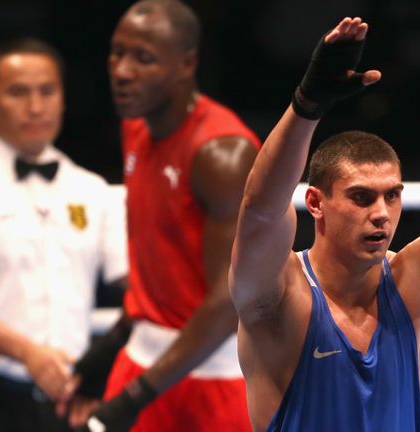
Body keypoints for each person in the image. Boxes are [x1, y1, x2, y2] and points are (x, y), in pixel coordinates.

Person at [229, 11, 420, 432]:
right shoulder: (278, 294)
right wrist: (307, 105)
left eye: (391, 195)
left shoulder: (419, 276)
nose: (380, 213)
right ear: (316, 203)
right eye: (361, 197)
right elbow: (260, 209)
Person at [63, 1, 261, 431]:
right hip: (142, 361)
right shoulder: (136, 126)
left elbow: (230, 304)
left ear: (187, 63)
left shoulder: (221, 155)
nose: (122, 70)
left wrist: (134, 398)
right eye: (117, 53)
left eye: (144, 58)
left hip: (214, 377)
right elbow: (160, 259)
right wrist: (112, 343)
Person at [0, 37, 128, 432]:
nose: (35, 107)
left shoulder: (92, 190)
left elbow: (139, 288)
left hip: (67, 400)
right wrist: (26, 352)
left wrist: (103, 367)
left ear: (63, 98)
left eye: (47, 91)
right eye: (18, 92)